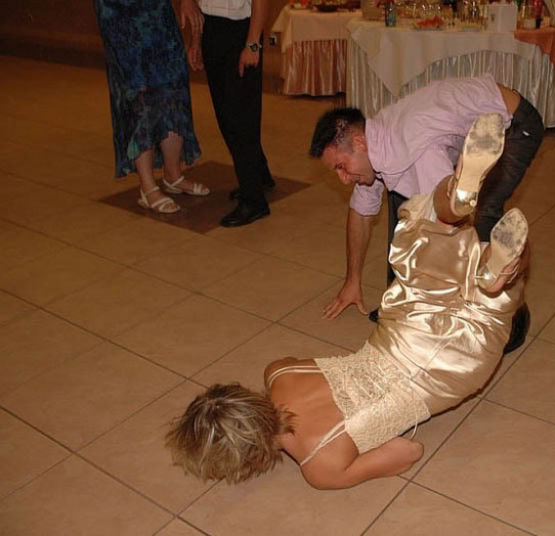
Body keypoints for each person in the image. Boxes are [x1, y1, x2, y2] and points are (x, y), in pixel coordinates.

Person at [166, 115, 529, 489]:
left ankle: (495, 279)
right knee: (416, 229)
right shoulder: (278, 373)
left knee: (491, 303)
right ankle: (456, 196)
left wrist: (367, 431)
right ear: (238, 395)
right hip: (402, 334)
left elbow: (408, 451)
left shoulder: (320, 465)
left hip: (450, 371)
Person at [309, 74, 543, 353]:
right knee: (407, 206)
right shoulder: (377, 145)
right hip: (466, 120)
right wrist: (352, 281)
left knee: (478, 217)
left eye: (341, 166)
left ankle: (508, 322)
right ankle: (402, 302)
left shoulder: (413, 149)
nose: (343, 179)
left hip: (513, 123)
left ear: (359, 143)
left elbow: (452, 226)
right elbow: (360, 214)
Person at [94, 0, 210, 214]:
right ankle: (147, 187)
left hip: (157, 8)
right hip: (121, 12)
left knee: (173, 85)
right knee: (140, 92)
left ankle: (173, 175)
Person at [179, 0, 274, 227]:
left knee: (240, 116)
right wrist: (197, 40)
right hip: (212, 26)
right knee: (225, 113)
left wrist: (252, 44)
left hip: (241, 29)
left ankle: (254, 201)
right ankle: (259, 175)